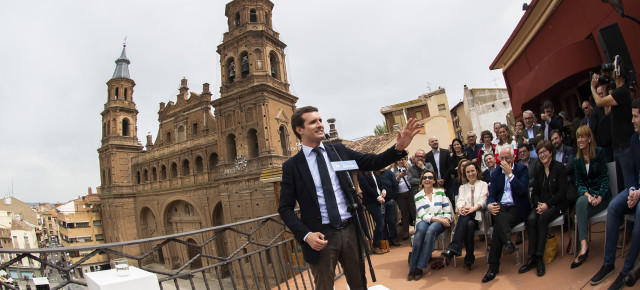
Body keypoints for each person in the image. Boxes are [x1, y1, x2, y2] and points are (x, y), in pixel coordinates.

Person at [278, 106, 418, 289]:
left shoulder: (338, 151)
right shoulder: (292, 166)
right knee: (324, 286)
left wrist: (398, 148)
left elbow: (372, 161)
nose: (320, 125)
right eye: (313, 122)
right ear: (299, 130)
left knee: (359, 283)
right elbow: (285, 208)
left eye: (320, 120)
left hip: (351, 229)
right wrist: (306, 235)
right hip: (320, 237)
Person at [589, 99, 640, 289]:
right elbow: (633, 172)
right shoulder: (634, 140)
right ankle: (608, 264)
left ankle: (627, 270)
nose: (632, 120)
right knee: (614, 207)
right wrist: (633, 189)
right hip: (636, 189)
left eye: (635, 116)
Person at [518, 140, 567, 277]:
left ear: (551, 152)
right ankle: (531, 257)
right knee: (531, 218)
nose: (542, 155)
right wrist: (539, 204)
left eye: (544, 151)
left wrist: (547, 205)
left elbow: (562, 193)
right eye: (539, 153)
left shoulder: (559, 168)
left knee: (542, 219)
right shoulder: (539, 170)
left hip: (557, 204)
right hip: (542, 204)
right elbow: (535, 193)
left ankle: (539, 257)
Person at [482, 147, 530, 283]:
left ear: (513, 157)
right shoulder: (496, 173)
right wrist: (490, 205)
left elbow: (522, 190)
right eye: (501, 158)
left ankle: (493, 267)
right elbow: (491, 196)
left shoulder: (521, 170)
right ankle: (508, 243)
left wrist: (510, 175)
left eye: (507, 158)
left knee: (498, 228)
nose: (504, 161)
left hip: (517, 208)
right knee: (498, 209)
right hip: (501, 208)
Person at [570, 125, 610, 269]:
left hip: (602, 196)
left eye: (582, 137)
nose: (580, 140)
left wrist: (599, 197)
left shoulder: (599, 153)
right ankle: (584, 245)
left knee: (581, 212)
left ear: (588, 138)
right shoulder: (577, 160)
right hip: (588, 198)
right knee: (580, 202)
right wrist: (588, 196)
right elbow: (579, 184)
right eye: (578, 137)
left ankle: (583, 248)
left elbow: (605, 178)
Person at [591, 70, 634, 190]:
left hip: (625, 145)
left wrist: (592, 87)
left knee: (628, 185)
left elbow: (599, 102)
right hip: (618, 146)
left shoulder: (622, 92)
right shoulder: (617, 92)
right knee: (621, 185)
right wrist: (604, 88)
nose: (612, 72)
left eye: (615, 69)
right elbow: (607, 111)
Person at [442, 161, 488, 270]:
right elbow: (460, 201)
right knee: (469, 225)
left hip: (479, 217)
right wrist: (462, 208)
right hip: (467, 219)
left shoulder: (483, 184)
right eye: (468, 172)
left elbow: (483, 200)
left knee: (467, 218)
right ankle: (469, 259)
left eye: (472, 171)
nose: (470, 174)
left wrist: (473, 208)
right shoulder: (462, 187)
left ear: (477, 171)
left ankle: (454, 247)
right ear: (465, 174)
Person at [407, 170, 452, 281]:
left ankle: (419, 267)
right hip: (425, 220)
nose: (427, 179)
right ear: (422, 181)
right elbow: (423, 216)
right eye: (425, 178)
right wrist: (441, 220)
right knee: (420, 232)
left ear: (434, 180)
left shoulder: (440, 192)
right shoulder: (418, 196)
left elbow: (447, 209)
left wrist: (446, 219)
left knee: (431, 230)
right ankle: (412, 268)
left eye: (430, 177)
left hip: (439, 222)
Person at [357, 171, 388, 254]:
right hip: (371, 202)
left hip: (380, 201)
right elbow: (367, 189)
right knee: (380, 223)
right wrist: (377, 197)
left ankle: (382, 244)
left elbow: (379, 184)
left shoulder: (374, 173)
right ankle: (375, 246)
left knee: (382, 223)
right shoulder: (361, 174)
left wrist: (383, 190)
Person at [375, 167, 401, 247]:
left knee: (392, 221)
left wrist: (393, 198)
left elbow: (395, 184)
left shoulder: (389, 173)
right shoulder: (373, 174)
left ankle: (394, 239)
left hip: (390, 201)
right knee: (382, 222)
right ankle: (386, 241)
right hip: (379, 202)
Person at [425, 136, 453, 206]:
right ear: (429, 144)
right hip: (435, 185)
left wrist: (444, 179)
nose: (435, 142)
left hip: (447, 183)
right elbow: (428, 171)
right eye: (432, 141)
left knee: (451, 204)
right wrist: (436, 180)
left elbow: (449, 167)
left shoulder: (446, 152)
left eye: (436, 140)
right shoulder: (427, 156)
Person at [392, 158, 413, 241]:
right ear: (396, 161)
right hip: (400, 195)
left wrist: (408, 174)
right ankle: (406, 232)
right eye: (399, 160)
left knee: (413, 211)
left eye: (403, 159)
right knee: (404, 213)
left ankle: (417, 230)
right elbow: (393, 183)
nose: (401, 161)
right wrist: (399, 177)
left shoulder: (410, 167)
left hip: (410, 192)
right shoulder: (393, 170)